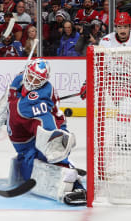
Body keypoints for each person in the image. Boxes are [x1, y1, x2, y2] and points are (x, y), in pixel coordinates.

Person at [6, 58, 86, 206]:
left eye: (38, 80)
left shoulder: (38, 100)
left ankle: (73, 182)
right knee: (27, 166)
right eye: (31, 77)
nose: (32, 82)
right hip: (27, 139)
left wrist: (58, 151)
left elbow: (48, 126)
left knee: (51, 151)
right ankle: (63, 164)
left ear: (44, 81)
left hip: (46, 133)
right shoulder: (19, 79)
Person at [79, 12, 131, 150]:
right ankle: (120, 138)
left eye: (125, 27)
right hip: (116, 78)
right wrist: (88, 83)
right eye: (119, 27)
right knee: (126, 105)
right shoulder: (106, 42)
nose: (122, 30)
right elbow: (98, 64)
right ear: (115, 27)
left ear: (130, 27)